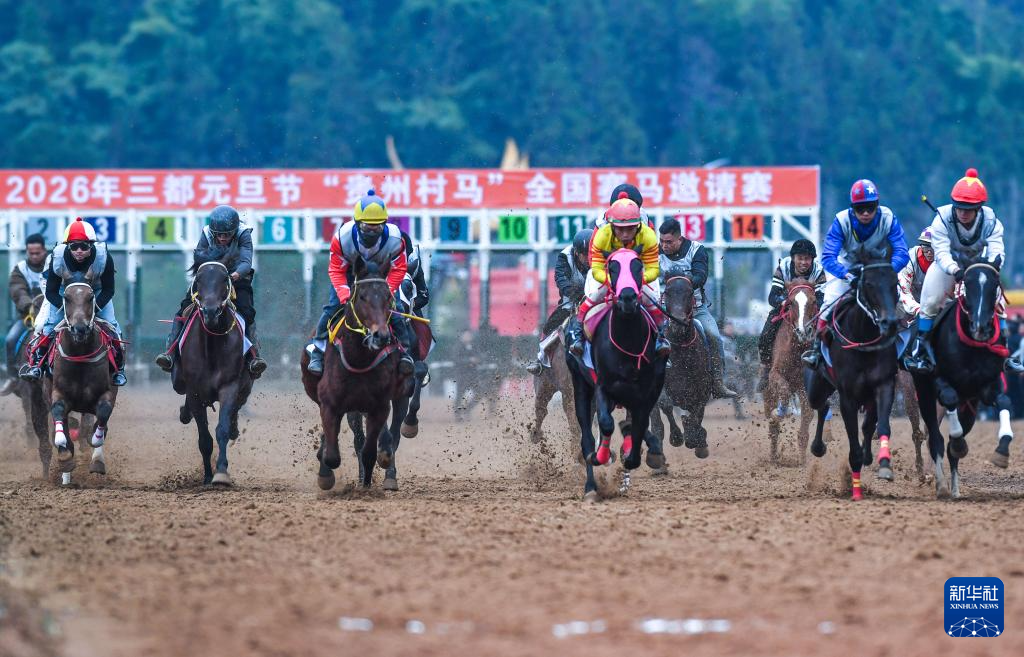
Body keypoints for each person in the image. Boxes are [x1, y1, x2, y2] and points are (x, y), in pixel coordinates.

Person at [904, 168, 1024, 374]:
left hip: (978, 264)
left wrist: (992, 266)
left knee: (998, 300)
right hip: (947, 266)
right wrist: (955, 270)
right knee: (930, 300)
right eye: (959, 207)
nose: (963, 212)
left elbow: (997, 250)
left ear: (979, 208)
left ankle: (1005, 352)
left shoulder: (992, 221)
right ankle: (921, 350)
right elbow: (941, 252)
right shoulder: (941, 218)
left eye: (969, 208)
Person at [801, 179, 909, 368]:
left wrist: (888, 272)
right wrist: (847, 276)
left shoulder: (888, 218)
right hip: (848, 267)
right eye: (860, 208)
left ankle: (904, 353)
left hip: (877, 267)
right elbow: (828, 257)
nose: (865, 213)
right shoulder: (841, 221)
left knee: (898, 301)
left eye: (870, 207)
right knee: (829, 301)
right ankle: (817, 350)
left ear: (877, 205)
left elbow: (902, 251)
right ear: (852, 208)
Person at [306, 189, 414, 376]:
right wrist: (344, 295)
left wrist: (387, 292)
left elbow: (398, 268)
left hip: (380, 276)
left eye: (377, 227)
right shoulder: (342, 238)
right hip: (350, 273)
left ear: (385, 224)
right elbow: (336, 270)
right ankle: (318, 350)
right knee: (332, 308)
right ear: (357, 223)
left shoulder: (396, 239)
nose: (372, 231)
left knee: (396, 310)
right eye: (367, 227)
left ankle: (405, 353)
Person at [155, 205, 267, 376]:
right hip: (210, 279)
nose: (222, 238)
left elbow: (246, 261)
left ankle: (254, 357)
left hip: (236, 278)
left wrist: (234, 275)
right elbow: (199, 256)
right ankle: (170, 353)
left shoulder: (244, 233)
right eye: (219, 234)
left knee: (247, 311)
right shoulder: (207, 232)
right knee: (184, 308)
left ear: (234, 230)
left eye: (227, 234)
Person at [20, 218, 127, 386]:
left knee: (113, 326)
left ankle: (119, 369)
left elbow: (108, 290)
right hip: (65, 292)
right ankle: (37, 365)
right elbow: (51, 291)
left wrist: (92, 307)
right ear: (67, 246)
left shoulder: (104, 257)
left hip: (96, 291)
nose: (79, 251)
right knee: (48, 326)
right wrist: (67, 306)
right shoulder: (57, 257)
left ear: (91, 245)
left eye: (83, 246)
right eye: (74, 246)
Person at [565, 194, 668, 358]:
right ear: (611, 226)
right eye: (620, 229)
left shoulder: (648, 236)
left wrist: (634, 281)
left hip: (637, 276)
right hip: (608, 275)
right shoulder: (602, 235)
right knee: (593, 296)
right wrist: (614, 281)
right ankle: (578, 337)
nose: (625, 234)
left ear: (638, 226)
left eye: (630, 228)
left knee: (653, 298)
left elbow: (653, 268)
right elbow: (596, 267)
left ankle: (661, 339)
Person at [659, 217, 737, 398]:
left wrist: (681, 286)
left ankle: (718, 382)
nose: (664, 245)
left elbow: (701, 276)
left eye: (669, 242)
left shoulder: (696, 250)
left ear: (679, 239)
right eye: (662, 241)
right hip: (663, 310)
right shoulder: (655, 253)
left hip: (696, 309)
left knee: (714, 336)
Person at [756, 239, 825, 391]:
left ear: (812, 259)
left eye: (807, 258)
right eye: (800, 258)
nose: (803, 262)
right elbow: (772, 297)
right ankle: (766, 368)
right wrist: (785, 302)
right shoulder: (783, 267)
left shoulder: (819, 271)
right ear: (793, 258)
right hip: (787, 305)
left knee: (829, 332)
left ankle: (827, 371)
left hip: (810, 308)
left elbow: (822, 298)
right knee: (766, 333)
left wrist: (812, 307)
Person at [525, 228, 592, 375]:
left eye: (590, 254)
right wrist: (575, 294)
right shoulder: (565, 257)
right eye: (584, 255)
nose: (589, 258)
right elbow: (560, 279)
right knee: (550, 325)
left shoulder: (602, 255)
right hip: (572, 301)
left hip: (596, 300)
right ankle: (541, 359)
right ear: (576, 253)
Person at [1, 233, 47, 395]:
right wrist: (29, 305)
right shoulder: (20, 269)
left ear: (44, 250)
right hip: (28, 317)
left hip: (53, 317)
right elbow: (17, 290)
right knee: (10, 340)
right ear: (27, 251)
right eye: (31, 253)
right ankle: (13, 377)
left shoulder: (54, 265)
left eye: (37, 253)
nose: (34, 256)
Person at [896, 228, 935, 323]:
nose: (929, 252)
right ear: (920, 246)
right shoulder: (909, 259)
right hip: (911, 307)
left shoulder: (947, 260)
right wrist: (918, 309)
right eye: (925, 247)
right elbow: (904, 292)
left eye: (933, 247)